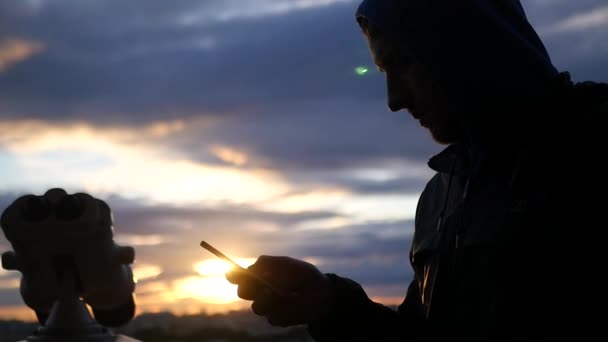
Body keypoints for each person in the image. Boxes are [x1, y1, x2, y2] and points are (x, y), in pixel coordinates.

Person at [227, 0, 608, 340]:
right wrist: (329, 304)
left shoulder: (593, 144)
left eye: (403, 64)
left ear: (469, 45)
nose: (395, 100)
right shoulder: (440, 195)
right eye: (383, 72)